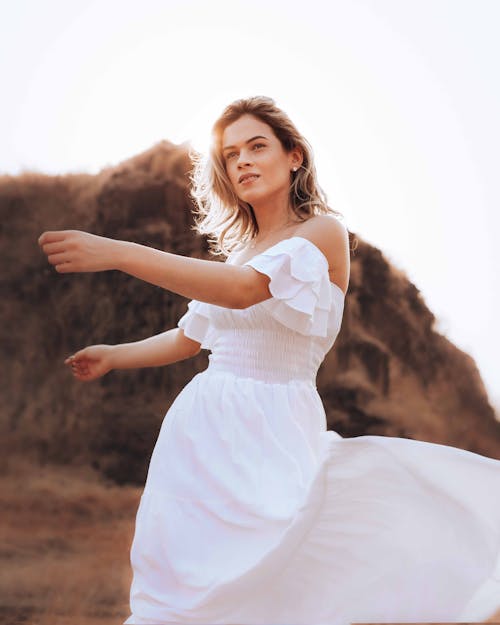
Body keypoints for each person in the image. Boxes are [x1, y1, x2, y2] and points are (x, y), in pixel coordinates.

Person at [38, 96, 500, 625]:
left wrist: (120, 253)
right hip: (201, 435)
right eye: (231, 155)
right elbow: (191, 337)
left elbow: (241, 293)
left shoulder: (320, 233)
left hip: (273, 428)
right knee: (191, 586)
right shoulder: (241, 252)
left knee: (274, 563)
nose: (243, 162)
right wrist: (114, 357)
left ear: (294, 156)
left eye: (257, 146)